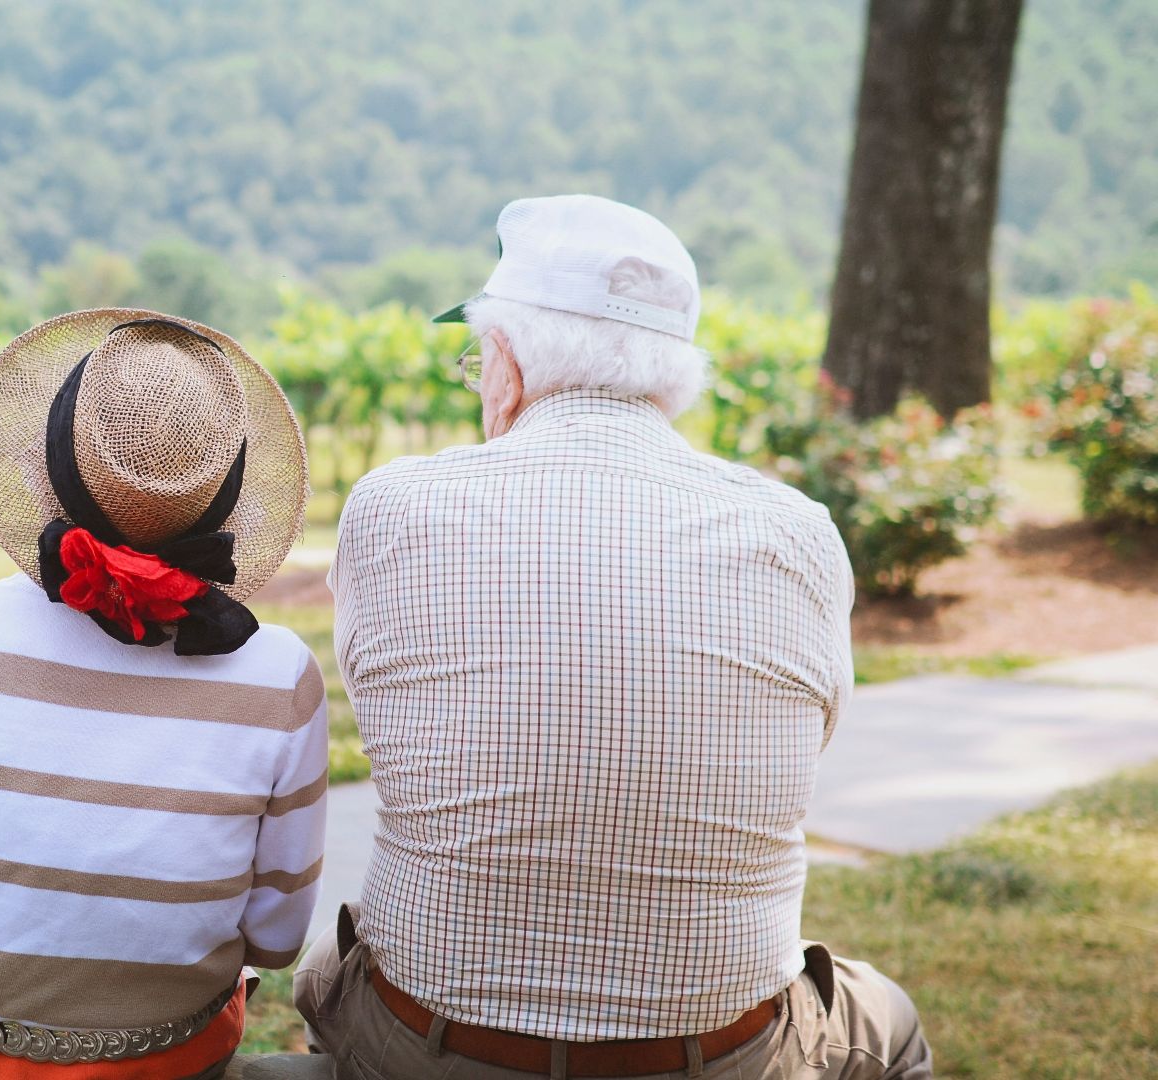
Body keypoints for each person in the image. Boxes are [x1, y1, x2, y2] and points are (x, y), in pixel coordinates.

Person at [296, 195, 932, 1079]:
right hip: (722, 1053)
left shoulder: (393, 507)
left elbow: (393, 721)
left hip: (433, 1046)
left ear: (506, 364)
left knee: (329, 971)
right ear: (674, 375)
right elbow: (809, 741)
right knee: (886, 1019)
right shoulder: (799, 532)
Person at [0, 310, 330, 1080]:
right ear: (222, 501)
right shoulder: (280, 675)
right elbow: (277, 941)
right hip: (163, 1064)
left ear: (45, 468)